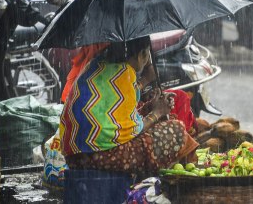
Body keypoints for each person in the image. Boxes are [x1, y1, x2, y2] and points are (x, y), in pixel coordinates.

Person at [59, 37, 199, 177]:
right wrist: (157, 112)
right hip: (100, 157)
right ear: (141, 55)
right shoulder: (125, 73)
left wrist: (151, 106)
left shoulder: (95, 65)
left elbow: (117, 122)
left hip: (75, 159)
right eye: (147, 55)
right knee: (177, 129)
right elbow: (134, 131)